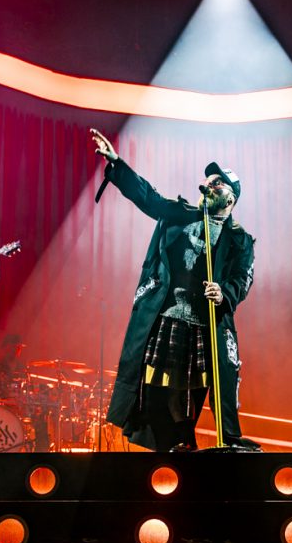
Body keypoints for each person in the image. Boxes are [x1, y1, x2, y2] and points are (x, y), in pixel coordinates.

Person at [90, 128, 258, 452]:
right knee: (154, 388)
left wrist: (224, 293)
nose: (210, 183)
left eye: (218, 182)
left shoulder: (240, 240)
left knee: (196, 393)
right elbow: (148, 197)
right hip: (167, 317)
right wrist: (117, 164)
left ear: (231, 198)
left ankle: (184, 442)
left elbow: (243, 278)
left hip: (205, 325)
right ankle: (169, 444)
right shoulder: (179, 214)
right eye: (209, 180)